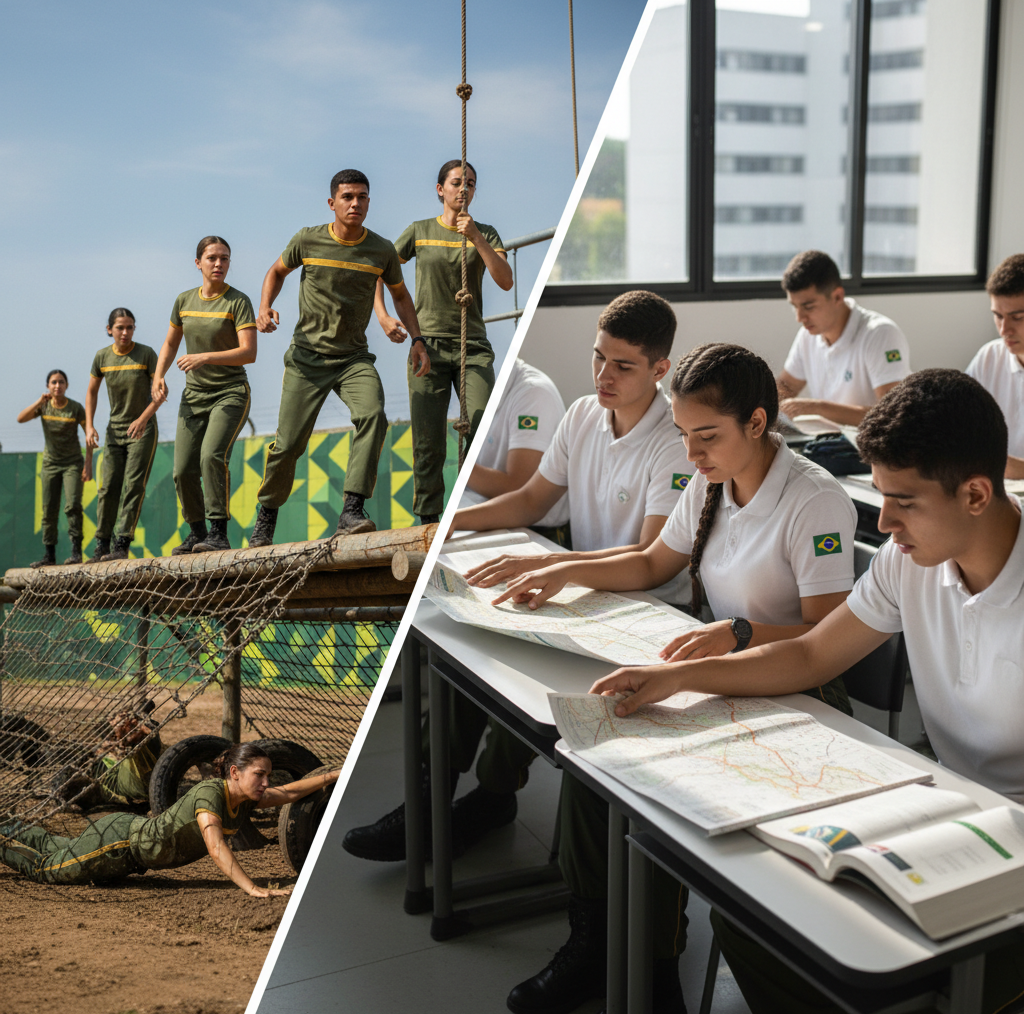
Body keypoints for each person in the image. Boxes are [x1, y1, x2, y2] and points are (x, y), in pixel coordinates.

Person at [592, 369, 1024, 1014]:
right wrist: (678, 678)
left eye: (903, 502)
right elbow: (813, 653)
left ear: (975, 494)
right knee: (752, 918)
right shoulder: (909, 561)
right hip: (953, 809)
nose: (884, 523)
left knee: (877, 972)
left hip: (1007, 852)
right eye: (880, 496)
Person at [495, 343, 856, 1014]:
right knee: (591, 750)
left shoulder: (815, 499)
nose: (691, 453)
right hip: (718, 677)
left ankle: (653, 980)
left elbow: (828, 638)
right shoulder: (712, 482)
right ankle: (596, 942)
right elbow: (653, 561)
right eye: (685, 436)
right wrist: (563, 570)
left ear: (756, 422)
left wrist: (740, 631)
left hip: (796, 693)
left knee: (656, 797)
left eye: (707, 436)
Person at [342, 291, 694, 865]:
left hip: (648, 616)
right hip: (586, 598)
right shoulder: (583, 414)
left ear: (661, 370)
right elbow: (531, 498)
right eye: (598, 357)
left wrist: (555, 565)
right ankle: (427, 803)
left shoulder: (673, 441)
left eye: (623, 366)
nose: (604, 375)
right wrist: (452, 521)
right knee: (466, 670)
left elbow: (654, 557)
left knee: (522, 703)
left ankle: (492, 795)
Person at [248, 169, 430, 548]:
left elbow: (400, 296)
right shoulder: (308, 239)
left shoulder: (380, 250)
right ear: (332, 203)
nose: (355, 204)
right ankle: (266, 517)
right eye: (347, 197)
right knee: (288, 445)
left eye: (362, 197)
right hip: (307, 359)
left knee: (373, 414)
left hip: (353, 359)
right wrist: (265, 307)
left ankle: (352, 510)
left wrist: (417, 339)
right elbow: (276, 271)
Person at [0, 742, 339, 896]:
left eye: (268, 775)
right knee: (45, 868)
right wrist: (253, 888)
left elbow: (292, 792)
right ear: (235, 772)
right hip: (118, 845)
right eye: (260, 775)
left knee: (51, 846)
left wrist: (333, 775)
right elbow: (216, 845)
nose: (267, 782)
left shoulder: (249, 797)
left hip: (124, 843)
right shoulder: (210, 794)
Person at [374, 159, 513, 524]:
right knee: (428, 440)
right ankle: (430, 520)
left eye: (470, 184)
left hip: (474, 347)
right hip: (428, 346)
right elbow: (380, 269)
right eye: (456, 183)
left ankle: (466, 510)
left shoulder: (486, 232)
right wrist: (383, 314)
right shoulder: (419, 231)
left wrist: (477, 238)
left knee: (482, 425)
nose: (463, 189)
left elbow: (505, 280)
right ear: (440, 190)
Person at [152, 238, 256, 554]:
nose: (218, 264)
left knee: (211, 455)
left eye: (224, 258)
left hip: (230, 393)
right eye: (211, 258)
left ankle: (218, 532)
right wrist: (158, 375)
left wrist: (204, 357)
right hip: (193, 396)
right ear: (198, 262)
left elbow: (248, 352)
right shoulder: (184, 300)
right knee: (183, 469)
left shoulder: (238, 302)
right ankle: (197, 532)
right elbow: (170, 344)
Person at [776, 250, 911, 427]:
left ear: (837, 296)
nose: (800, 317)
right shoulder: (808, 335)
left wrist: (818, 408)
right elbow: (785, 388)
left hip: (867, 447)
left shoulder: (880, 334)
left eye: (808, 307)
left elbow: (891, 414)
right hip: (826, 443)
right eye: (794, 307)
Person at [85, 308, 162, 562]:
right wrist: (89, 425)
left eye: (130, 327)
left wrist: (143, 418)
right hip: (114, 431)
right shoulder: (101, 357)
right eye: (120, 327)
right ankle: (101, 545)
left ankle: (122, 543)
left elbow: (161, 392)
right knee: (108, 488)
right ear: (110, 330)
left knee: (132, 486)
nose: (125, 332)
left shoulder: (147, 354)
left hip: (143, 429)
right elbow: (92, 392)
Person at [467, 358, 569, 543]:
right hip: (488, 519)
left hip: (538, 534)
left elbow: (520, 490)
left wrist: (453, 465)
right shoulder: (475, 390)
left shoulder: (534, 394)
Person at [17, 370, 93, 567]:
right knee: (49, 510)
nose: (57, 386)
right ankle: (49, 556)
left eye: (61, 382)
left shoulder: (75, 408)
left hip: (72, 464)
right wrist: (38, 402)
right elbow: (20, 418)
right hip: (50, 464)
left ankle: (76, 552)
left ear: (66, 385)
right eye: (53, 382)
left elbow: (89, 436)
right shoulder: (43, 407)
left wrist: (88, 463)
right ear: (48, 386)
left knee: (73, 506)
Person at [966, 252, 1024, 479]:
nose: (1004, 330)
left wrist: (1000, 466)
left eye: (1017, 317)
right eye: (998, 316)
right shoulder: (990, 356)